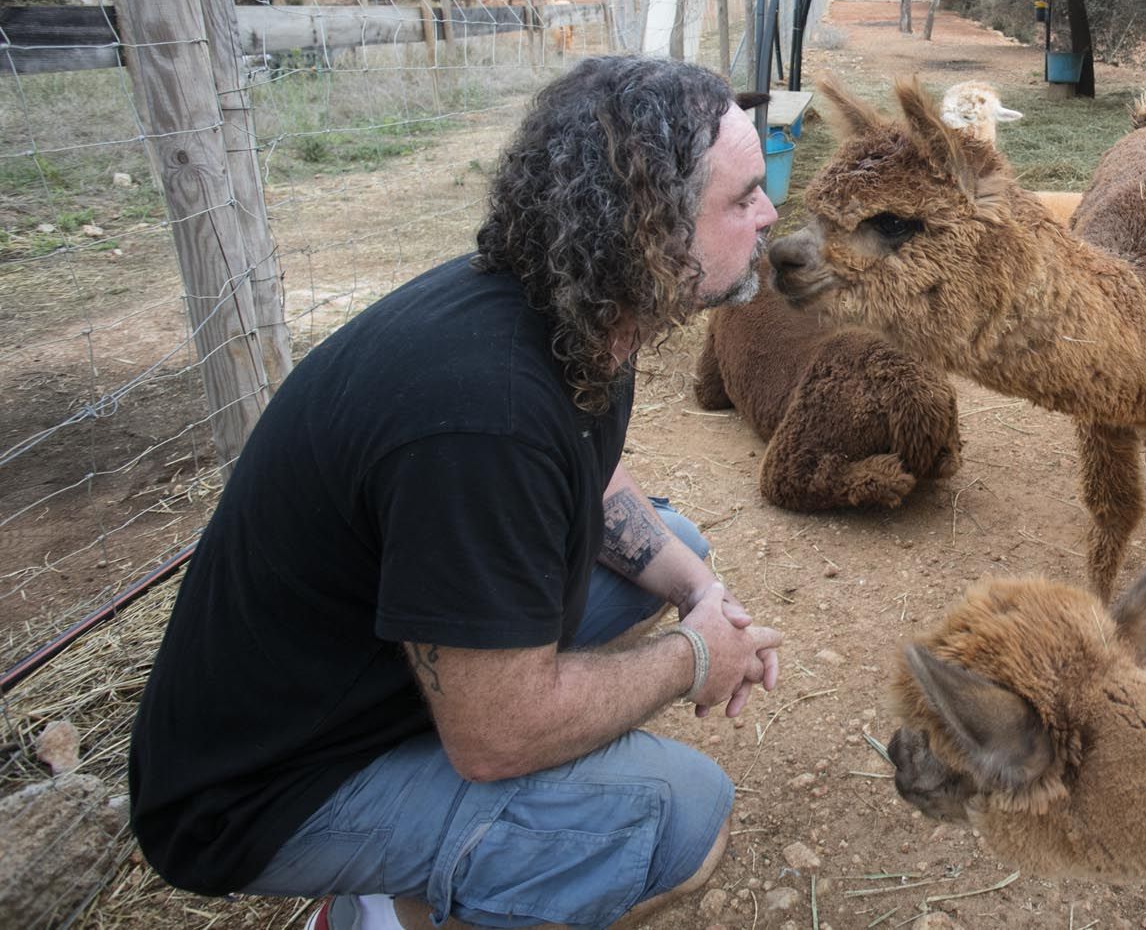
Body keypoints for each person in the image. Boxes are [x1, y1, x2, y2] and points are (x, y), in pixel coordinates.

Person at [129, 57, 785, 930]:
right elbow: (497, 735)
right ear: (652, 229)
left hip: (357, 666)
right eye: (742, 199)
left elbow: (587, 475)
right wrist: (694, 657)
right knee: (679, 811)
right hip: (262, 789)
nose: (772, 212)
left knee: (678, 549)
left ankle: (420, 819)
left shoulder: (581, 306)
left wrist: (699, 595)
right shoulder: (485, 416)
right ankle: (381, 911)